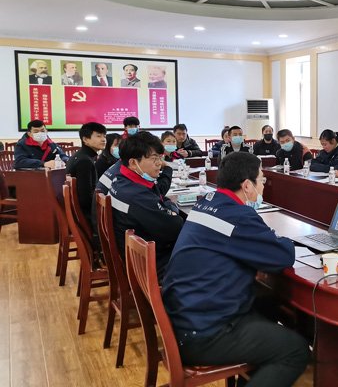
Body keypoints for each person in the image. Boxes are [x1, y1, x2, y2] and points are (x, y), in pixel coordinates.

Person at [162, 152, 310, 386]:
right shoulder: (238, 216)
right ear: (247, 185)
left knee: (268, 303)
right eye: (262, 180)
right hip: (203, 332)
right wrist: (276, 239)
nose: (263, 186)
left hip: (184, 314)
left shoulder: (206, 202)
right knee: (295, 350)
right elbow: (283, 255)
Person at [109, 131, 181, 276]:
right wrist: (172, 209)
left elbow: (160, 198)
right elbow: (176, 227)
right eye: (154, 159)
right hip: (148, 264)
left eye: (160, 158)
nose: (159, 163)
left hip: (136, 254)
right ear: (133, 163)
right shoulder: (136, 196)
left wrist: (167, 206)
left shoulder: (121, 180)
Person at [66, 122, 107, 234]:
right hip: (88, 217)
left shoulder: (80, 155)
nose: (103, 139)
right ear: (85, 139)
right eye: (98, 136)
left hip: (83, 212)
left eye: (104, 136)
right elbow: (85, 199)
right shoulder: (85, 161)